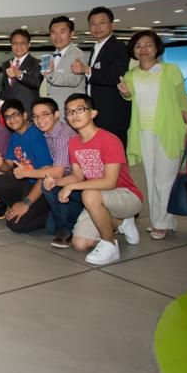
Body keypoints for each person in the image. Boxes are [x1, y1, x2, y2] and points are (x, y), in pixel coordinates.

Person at [43, 94, 143, 265]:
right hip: (98, 197)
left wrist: (72, 186)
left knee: (88, 194)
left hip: (126, 195)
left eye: (79, 110)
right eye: (69, 112)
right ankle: (121, 222)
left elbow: (110, 182)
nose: (74, 115)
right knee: (80, 244)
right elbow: (77, 176)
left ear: (93, 113)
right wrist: (56, 182)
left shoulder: (109, 140)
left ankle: (110, 245)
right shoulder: (74, 143)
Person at [118, 30, 187, 240]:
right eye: (138, 46)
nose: (143, 49)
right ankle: (160, 220)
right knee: (152, 177)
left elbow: (182, 101)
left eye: (147, 45)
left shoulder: (170, 70)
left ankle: (162, 222)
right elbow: (129, 98)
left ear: (156, 47)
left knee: (166, 177)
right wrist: (125, 92)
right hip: (143, 131)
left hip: (169, 130)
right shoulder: (131, 75)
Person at [0, 99, 53, 233]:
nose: (12, 119)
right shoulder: (15, 136)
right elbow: (8, 166)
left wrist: (26, 203)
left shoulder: (35, 135)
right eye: (8, 117)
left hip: (44, 185)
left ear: (25, 115)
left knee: (16, 225)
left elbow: (46, 174)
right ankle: (22, 205)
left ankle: (51, 214)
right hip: (27, 181)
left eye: (15, 114)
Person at [71, 7, 131, 147]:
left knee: (114, 158)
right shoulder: (96, 47)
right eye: (93, 23)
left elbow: (114, 76)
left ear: (112, 25)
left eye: (102, 23)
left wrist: (86, 69)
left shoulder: (118, 47)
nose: (97, 27)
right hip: (97, 113)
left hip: (112, 115)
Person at [24, 98, 79, 248]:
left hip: (81, 183)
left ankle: (66, 230)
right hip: (68, 181)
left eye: (45, 114)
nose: (40, 120)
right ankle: (73, 219)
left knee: (48, 182)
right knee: (50, 228)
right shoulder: (48, 133)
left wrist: (25, 173)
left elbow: (58, 172)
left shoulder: (63, 133)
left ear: (56, 115)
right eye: (35, 116)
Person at [42, 16, 87, 115]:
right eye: (54, 32)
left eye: (62, 32)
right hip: (53, 110)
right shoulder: (50, 56)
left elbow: (74, 80)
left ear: (72, 34)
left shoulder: (78, 55)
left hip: (70, 112)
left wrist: (51, 74)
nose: (57, 37)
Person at [0, 29, 42, 115]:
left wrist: (19, 74)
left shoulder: (37, 63)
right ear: (11, 45)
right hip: (9, 112)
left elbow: (36, 83)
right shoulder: (6, 64)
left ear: (29, 44)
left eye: (22, 43)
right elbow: (6, 88)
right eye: (15, 43)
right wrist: (1, 101)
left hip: (28, 111)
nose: (18, 46)